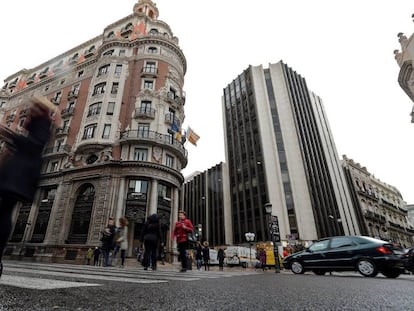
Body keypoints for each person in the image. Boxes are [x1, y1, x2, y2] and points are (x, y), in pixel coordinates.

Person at [0, 94, 56, 278]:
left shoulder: (42, 123)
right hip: (17, 170)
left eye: (31, 106)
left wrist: (9, 134)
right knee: (4, 211)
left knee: (4, 211)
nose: (27, 109)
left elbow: (35, 145)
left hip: (20, 172)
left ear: (39, 109)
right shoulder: (36, 123)